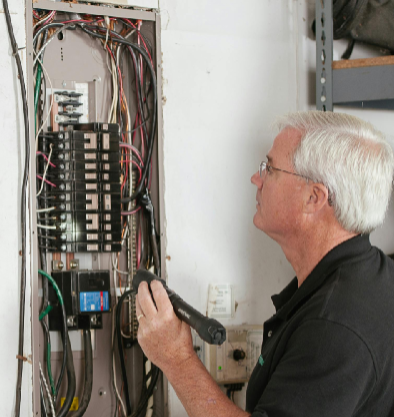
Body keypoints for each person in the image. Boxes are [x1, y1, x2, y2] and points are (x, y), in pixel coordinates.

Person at [136, 111, 394, 417]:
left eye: (270, 169)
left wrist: (176, 358)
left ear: (314, 198)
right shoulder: (372, 275)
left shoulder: (334, 328)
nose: (256, 179)